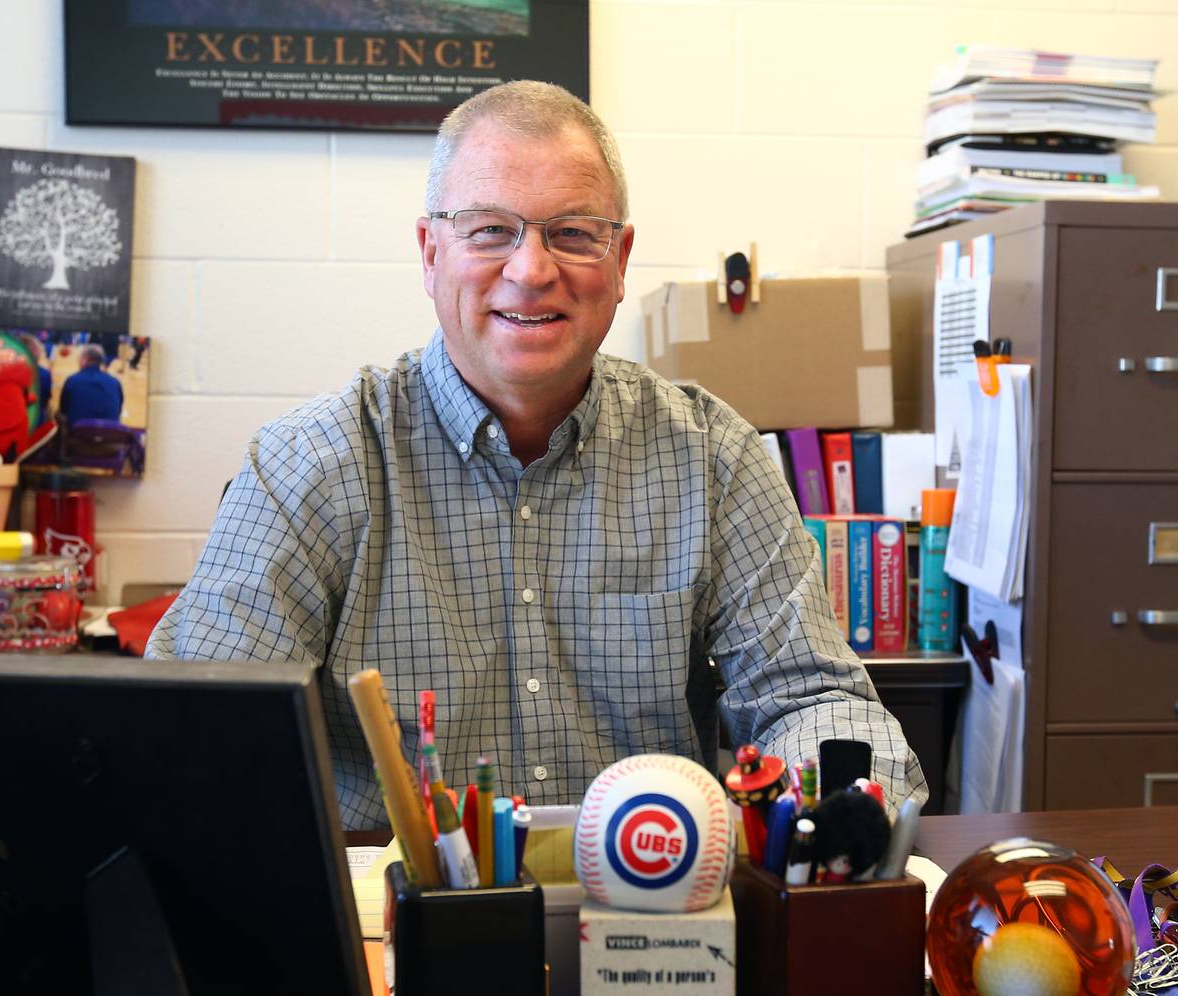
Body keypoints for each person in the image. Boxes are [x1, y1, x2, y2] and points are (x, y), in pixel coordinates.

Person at [148, 80, 927, 829]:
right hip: (397, 931)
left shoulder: (712, 458)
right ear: (429, 252)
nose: (531, 269)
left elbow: (813, 699)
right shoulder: (310, 464)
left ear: (620, 261)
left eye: (573, 233)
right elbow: (194, 729)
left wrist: (843, 814)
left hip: (649, 916)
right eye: (490, 230)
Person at [58, 343, 123, 423]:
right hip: (110, 431)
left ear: (85, 359)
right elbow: (119, 410)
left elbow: (63, 410)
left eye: (80, 357)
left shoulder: (72, 380)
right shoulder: (115, 382)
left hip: (79, 432)